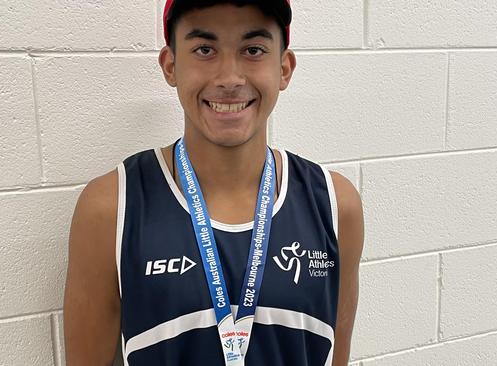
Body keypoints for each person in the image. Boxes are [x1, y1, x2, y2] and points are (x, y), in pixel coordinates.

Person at [63, 0, 364, 365]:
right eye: (205, 50)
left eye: (253, 50)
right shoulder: (112, 207)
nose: (229, 78)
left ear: (284, 68)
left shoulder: (335, 205)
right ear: (171, 65)